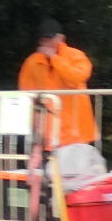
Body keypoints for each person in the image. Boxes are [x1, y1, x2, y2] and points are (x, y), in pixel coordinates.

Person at [17, 19, 97, 149]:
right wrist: (37, 133)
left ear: (61, 38)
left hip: (76, 132)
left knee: (75, 168)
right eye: (43, 39)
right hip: (48, 133)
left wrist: (55, 59)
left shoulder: (76, 56)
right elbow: (26, 95)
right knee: (50, 168)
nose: (46, 43)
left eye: (50, 38)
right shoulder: (31, 62)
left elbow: (78, 77)